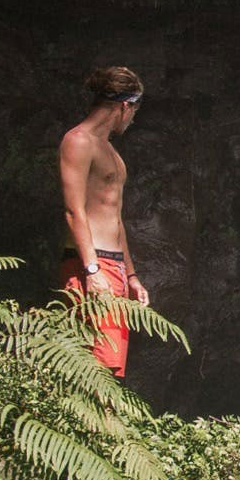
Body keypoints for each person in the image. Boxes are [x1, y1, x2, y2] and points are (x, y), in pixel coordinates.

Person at [59, 65, 151, 379]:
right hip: (92, 264)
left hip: (114, 269)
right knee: (93, 369)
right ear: (125, 106)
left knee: (110, 370)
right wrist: (92, 269)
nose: (134, 119)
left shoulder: (110, 151)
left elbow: (115, 218)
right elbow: (74, 211)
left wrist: (132, 275)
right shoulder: (78, 141)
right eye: (135, 110)